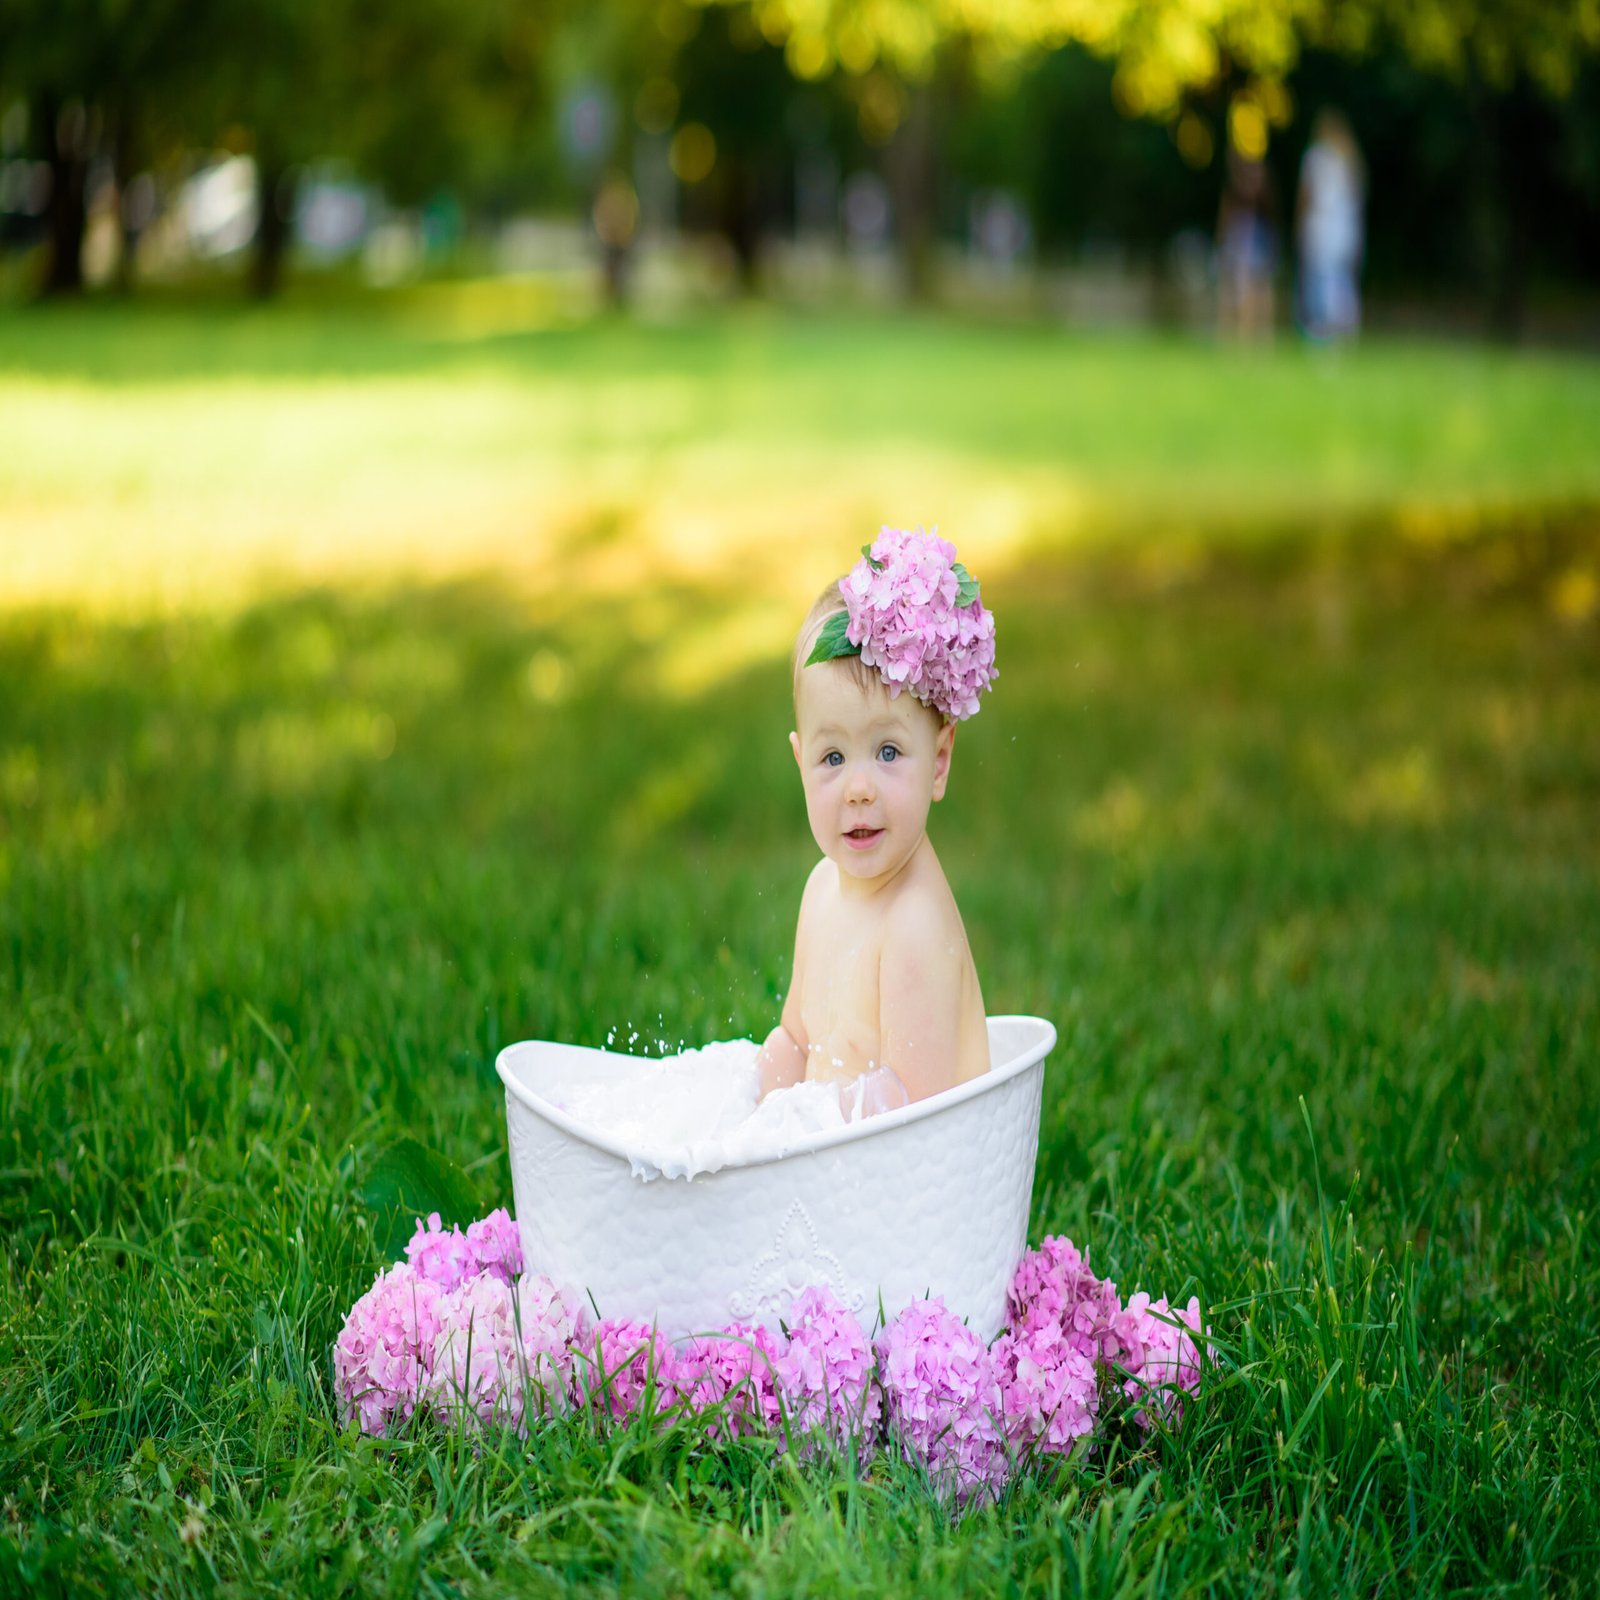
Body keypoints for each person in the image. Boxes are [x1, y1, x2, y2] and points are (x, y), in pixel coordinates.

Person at [756, 528, 997, 1111]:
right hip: (841, 1177)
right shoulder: (820, 891)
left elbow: (914, 1114)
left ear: (938, 763)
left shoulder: (914, 927)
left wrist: (805, 1126)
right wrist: (754, 1112)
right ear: (800, 762)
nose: (859, 789)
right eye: (832, 758)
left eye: (888, 753)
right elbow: (798, 1038)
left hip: (912, 1188)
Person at [1297, 109, 1365, 342]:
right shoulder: (1349, 159)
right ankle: (1346, 327)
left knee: (1322, 279)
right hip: (1347, 229)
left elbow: (1307, 196)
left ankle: (1324, 329)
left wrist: (1300, 224)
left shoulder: (1316, 158)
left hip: (1321, 227)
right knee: (1342, 279)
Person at [1216, 147, 1278, 342]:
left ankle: (1258, 335)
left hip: (1256, 243)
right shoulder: (1233, 194)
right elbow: (1224, 221)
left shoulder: (1263, 198)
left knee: (1258, 289)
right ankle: (1236, 335)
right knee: (1237, 290)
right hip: (1240, 244)